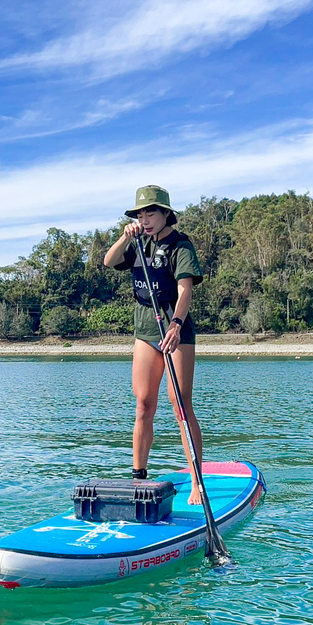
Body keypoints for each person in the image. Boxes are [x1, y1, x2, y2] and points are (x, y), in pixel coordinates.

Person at [104, 185, 204, 505]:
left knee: (180, 404)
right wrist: (125, 238)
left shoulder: (180, 246)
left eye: (151, 213)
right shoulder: (138, 243)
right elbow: (109, 261)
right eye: (140, 214)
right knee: (144, 404)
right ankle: (138, 479)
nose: (144, 220)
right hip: (145, 331)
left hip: (175, 331)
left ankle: (197, 482)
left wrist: (176, 324)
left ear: (166, 214)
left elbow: (185, 289)